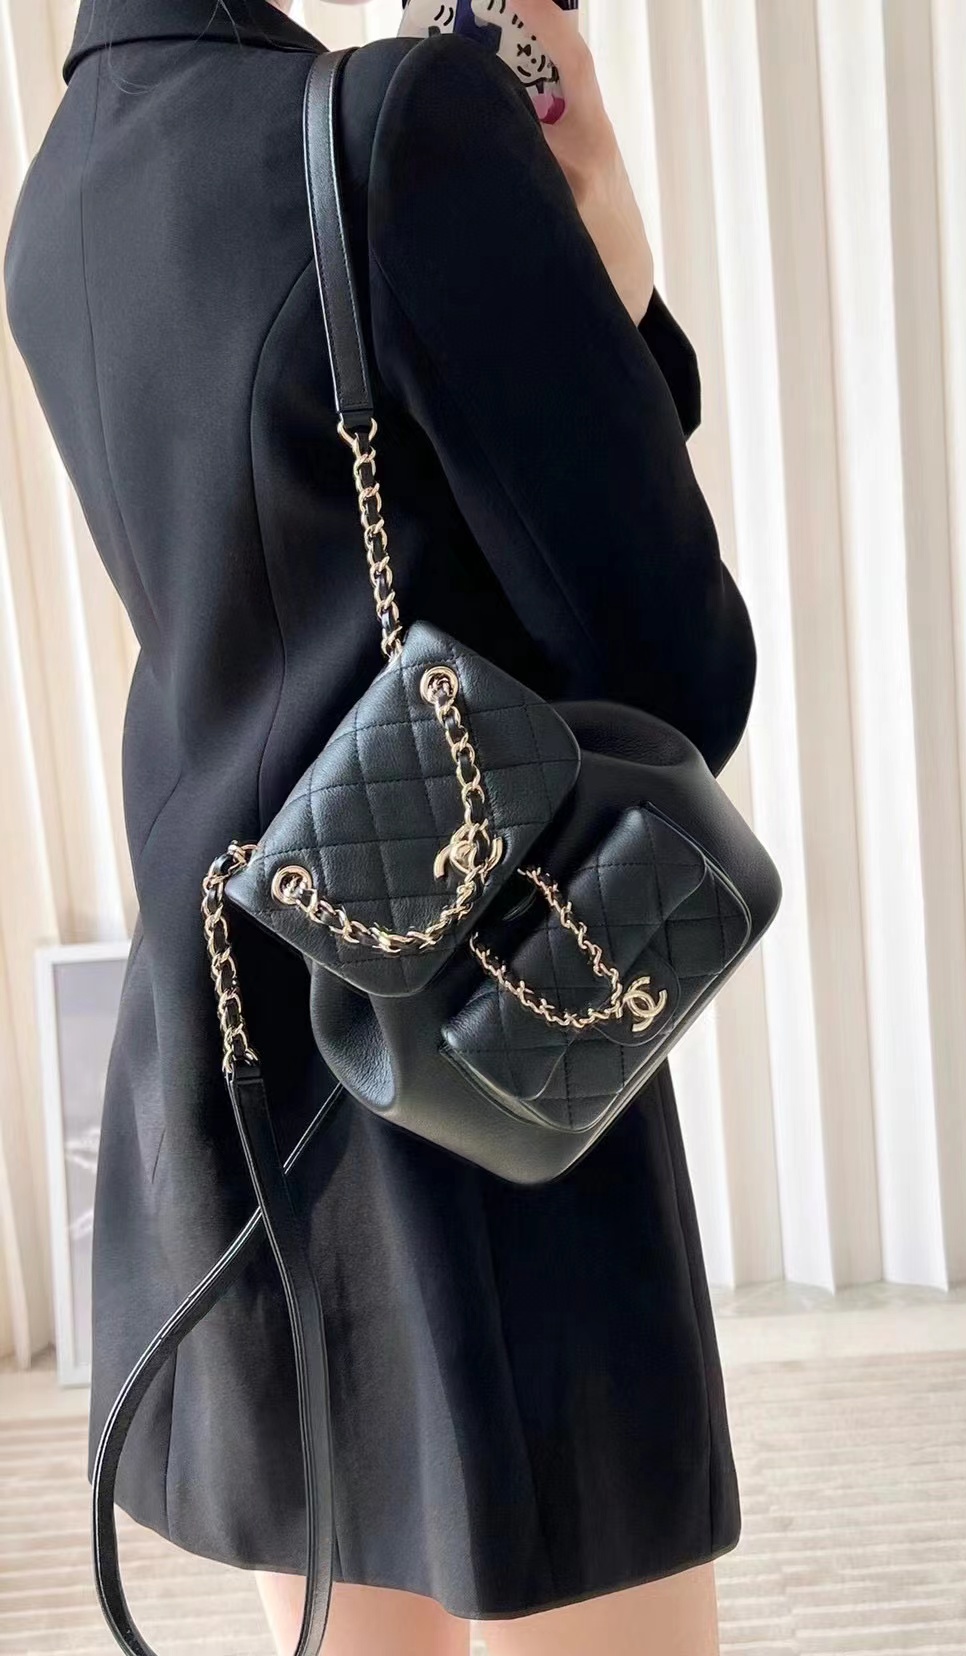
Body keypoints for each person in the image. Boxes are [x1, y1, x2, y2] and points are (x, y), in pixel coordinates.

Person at [4, 1, 757, 1651]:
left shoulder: (56, 194)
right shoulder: (401, 124)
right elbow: (678, 669)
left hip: (226, 1064)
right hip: (471, 1046)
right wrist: (616, 272)